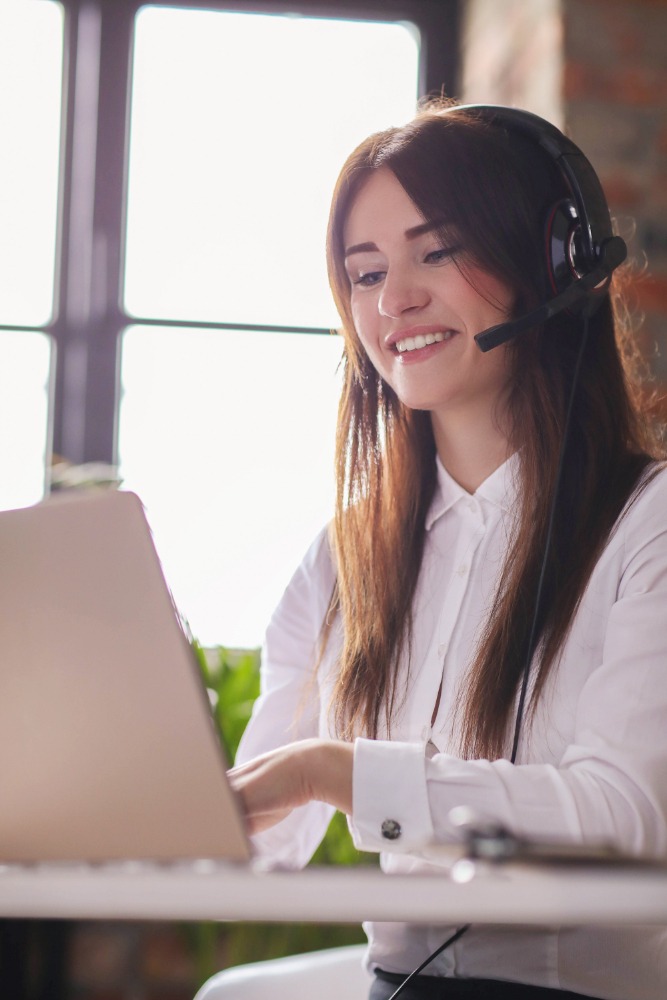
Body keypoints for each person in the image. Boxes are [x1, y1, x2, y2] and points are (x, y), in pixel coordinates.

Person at [202, 102, 667, 1000]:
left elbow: (629, 821)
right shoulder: (341, 561)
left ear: (553, 265)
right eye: (364, 272)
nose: (393, 300)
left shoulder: (646, 524)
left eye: (437, 250)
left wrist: (335, 773)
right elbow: (255, 849)